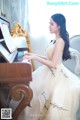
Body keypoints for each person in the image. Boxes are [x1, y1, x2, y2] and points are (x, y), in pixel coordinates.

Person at [23, 13, 80, 120]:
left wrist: (35, 57)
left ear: (59, 26)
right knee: (32, 87)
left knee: (34, 90)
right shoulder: (56, 40)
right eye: (49, 23)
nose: (49, 26)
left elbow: (53, 64)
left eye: (51, 24)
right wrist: (34, 55)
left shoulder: (60, 42)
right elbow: (49, 58)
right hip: (50, 72)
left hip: (56, 73)